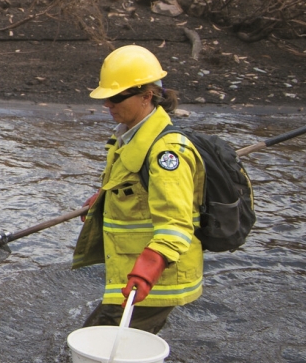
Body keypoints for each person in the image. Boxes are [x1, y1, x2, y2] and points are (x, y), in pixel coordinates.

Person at [72, 45, 206, 335]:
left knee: (99, 346)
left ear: (147, 96)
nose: (108, 104)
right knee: (94, 344)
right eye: (106, 97)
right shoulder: (129, 136)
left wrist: (149, 267)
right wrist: (107, 199)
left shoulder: (167, 152)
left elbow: (177, 224)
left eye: (116, 97)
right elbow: (135, 186)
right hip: (131, 271)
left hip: (156, 279)